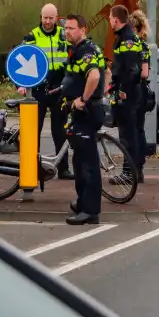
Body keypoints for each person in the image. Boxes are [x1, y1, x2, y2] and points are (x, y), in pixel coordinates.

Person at [16, 3, 72, 179]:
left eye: (51, 18)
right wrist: (19, 85)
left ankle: (63, 169)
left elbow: (75, 58)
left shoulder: (65, 35)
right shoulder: (32, 36)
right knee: (34, 132)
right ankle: (33, 169)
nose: (47, 21)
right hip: (38, 89)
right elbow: (17, 62)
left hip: (59, 88)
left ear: (57, 18)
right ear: (40, 17)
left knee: (60, 131)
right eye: (45, 18)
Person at [60, 14, 106, 226]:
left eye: (71, 28)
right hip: (85, 111)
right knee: (79, 161)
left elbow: (94, 75)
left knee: (87, 164)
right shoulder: (84, 49)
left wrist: (83, 99)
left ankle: (90, 211)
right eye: (66, 28)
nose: (67, 31)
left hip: (86, 111)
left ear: (83, 29)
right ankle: (82, 202)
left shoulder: (85, 50)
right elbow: (108, 72)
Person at [106, 5, 150, 184]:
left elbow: (132, 70)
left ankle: (128, 172)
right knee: (134, 133)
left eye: (109, 18)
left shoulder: (127, 40)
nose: (109, 21)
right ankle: (135, 171)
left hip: (129, 95)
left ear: (115, 19)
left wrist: (122, 90)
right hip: (133, 92)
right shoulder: (126, 39)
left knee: (128, 135)